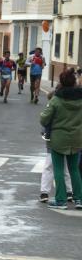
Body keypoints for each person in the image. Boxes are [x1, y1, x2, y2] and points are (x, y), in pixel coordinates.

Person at [40, 68, 82, 209]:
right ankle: (79, 199)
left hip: (58, 139)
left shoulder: (56, 100)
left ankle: (61, 200)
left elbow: (44, 119)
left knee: (58, 169)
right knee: (74, 169)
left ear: (62, 83)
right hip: (77, 139)